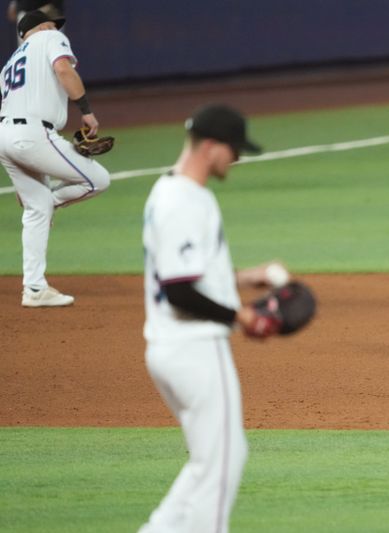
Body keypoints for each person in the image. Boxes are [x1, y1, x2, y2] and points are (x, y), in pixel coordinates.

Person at [140, 104, 285, 533]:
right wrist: (241, 316)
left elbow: (184, 274)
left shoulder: (164, 191)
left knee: (214, 458)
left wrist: (247, 277)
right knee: (221, 463)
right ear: (210, 146)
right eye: (234, 149)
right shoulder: (187, 199)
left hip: (168, 348)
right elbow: (181, 291)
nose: (237, 158)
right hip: (195, 349)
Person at [0, 10, 109, 307]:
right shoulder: (51, 37)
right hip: (35, 134)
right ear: (39, 27)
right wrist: (86, 110)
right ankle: (50, 203)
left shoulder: (9, 63)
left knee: (35, 209)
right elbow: (63, 69)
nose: (55, 27)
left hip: (5, 136)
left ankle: (34, 289)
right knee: (98, 179)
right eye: (50, 23)